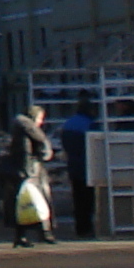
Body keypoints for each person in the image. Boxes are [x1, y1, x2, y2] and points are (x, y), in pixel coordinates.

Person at [9, 107, 59, 246]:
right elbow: (41, 144)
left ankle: (21, 236)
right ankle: (44, 233)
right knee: (39, 202)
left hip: (24, 170)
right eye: (40, 119)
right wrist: (46, 154)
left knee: (24, 204)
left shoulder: (19, 129)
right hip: (31, 171)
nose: (41, 123)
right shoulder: (28, 127)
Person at [53, 102, 97, 239]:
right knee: (88, 200)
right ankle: (87, 228)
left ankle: (80, 227)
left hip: (73, 166)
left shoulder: (68, 124)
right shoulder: (90, 124)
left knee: (78, 199)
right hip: (89, 167)